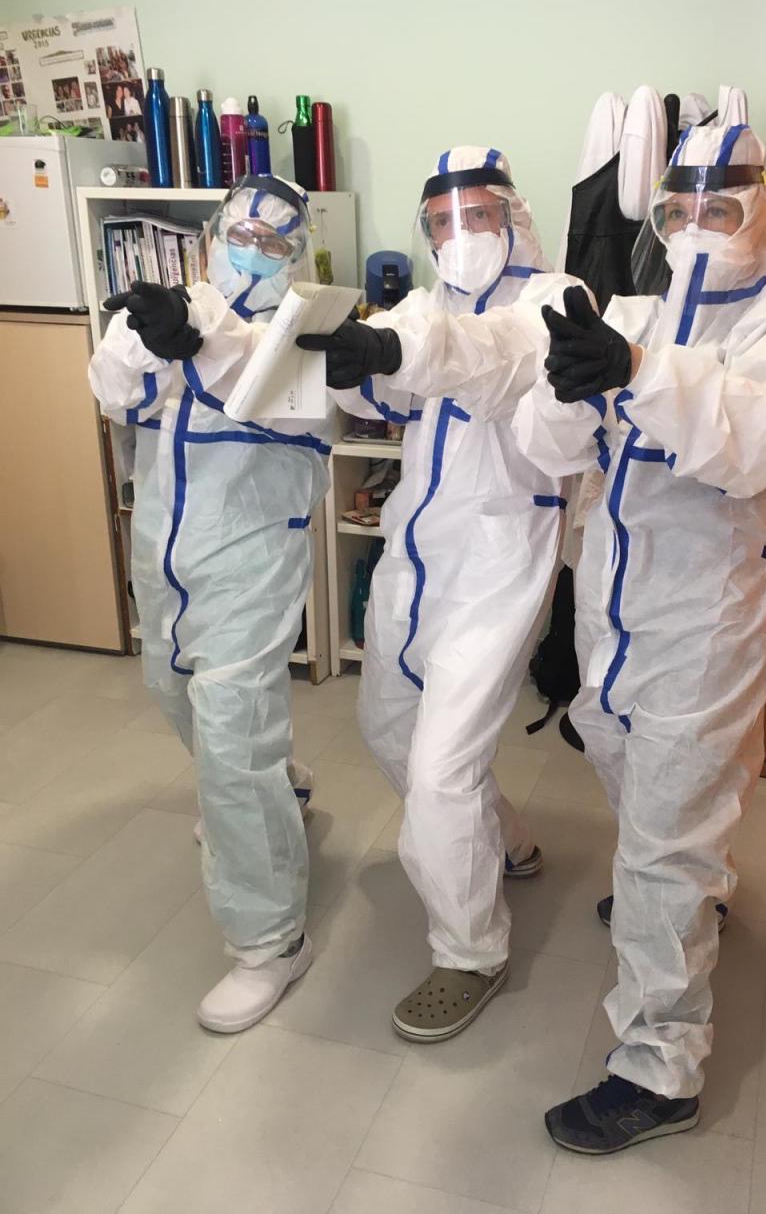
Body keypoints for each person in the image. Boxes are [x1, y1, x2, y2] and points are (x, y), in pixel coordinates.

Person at [511, 122, 766, 1153]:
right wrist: (572, 390)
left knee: (660, 831)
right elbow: (546, 445)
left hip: (708, 617)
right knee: (623, 770)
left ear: (761, 204)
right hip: (613, 607)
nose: (702, 221)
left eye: (724, 201)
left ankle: (660, 1069)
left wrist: (640, 373)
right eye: (683, 206)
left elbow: (763, 439)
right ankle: (689, 891)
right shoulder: (634, 307)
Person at [297, 146, 584, 1042]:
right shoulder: (427, 304)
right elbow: (396, 384)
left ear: (513, 215)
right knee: (388, 728)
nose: (457, 237)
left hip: (502, 557)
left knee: (441, 763)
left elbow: (488, 360)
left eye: (476, 216)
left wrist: (398, 345)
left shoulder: (555, 301)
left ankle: (471, 950)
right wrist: (356, 358)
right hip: (414, 555)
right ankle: (504, 842)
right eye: (439, 224)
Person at [89, 175, 336, 1033]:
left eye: (274, 241)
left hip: (253, 551)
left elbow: (300, 407)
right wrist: (149, 340)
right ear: (213, 231)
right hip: (165, 550)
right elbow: (113, 390)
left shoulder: (310, 323)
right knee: (172, 691)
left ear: (296, 251)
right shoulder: (172, 304)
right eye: (241, 232)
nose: (253, 250)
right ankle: (279, 791)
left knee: (230, 730)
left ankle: (270, 943)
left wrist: (204, 339)